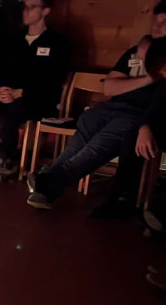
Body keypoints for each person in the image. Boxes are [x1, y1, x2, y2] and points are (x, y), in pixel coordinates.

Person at [26, 35, 166, 210]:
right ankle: (49, 183)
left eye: (162, 23)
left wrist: (152, 75)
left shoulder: (161, 61)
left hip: (138, 113)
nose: (157, 26)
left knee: (98, 146)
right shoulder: (134, 52)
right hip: (110, 107)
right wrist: (147, 77)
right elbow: (109, 88)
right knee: (87, 122)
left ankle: (48, 180)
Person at [0, 0, 70, 179]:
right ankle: (4, 157)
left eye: (32, 7)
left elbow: (54, 79)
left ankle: (7, 161)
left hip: (37, 98)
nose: (26, 11)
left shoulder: (57, 43)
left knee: (5, 120)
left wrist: (21, 92)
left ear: (45, 11)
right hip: (9, 95)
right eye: (24, 7)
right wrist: (0, 89)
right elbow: (3, 72)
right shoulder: (15, 41)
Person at [88, 3, 166, 217]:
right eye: (157, 21)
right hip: (149, 117)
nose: (157, 27)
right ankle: (122, 197)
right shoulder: (150, 52)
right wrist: (146, 125)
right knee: (131, 134)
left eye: (164, 22)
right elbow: (160, 97)